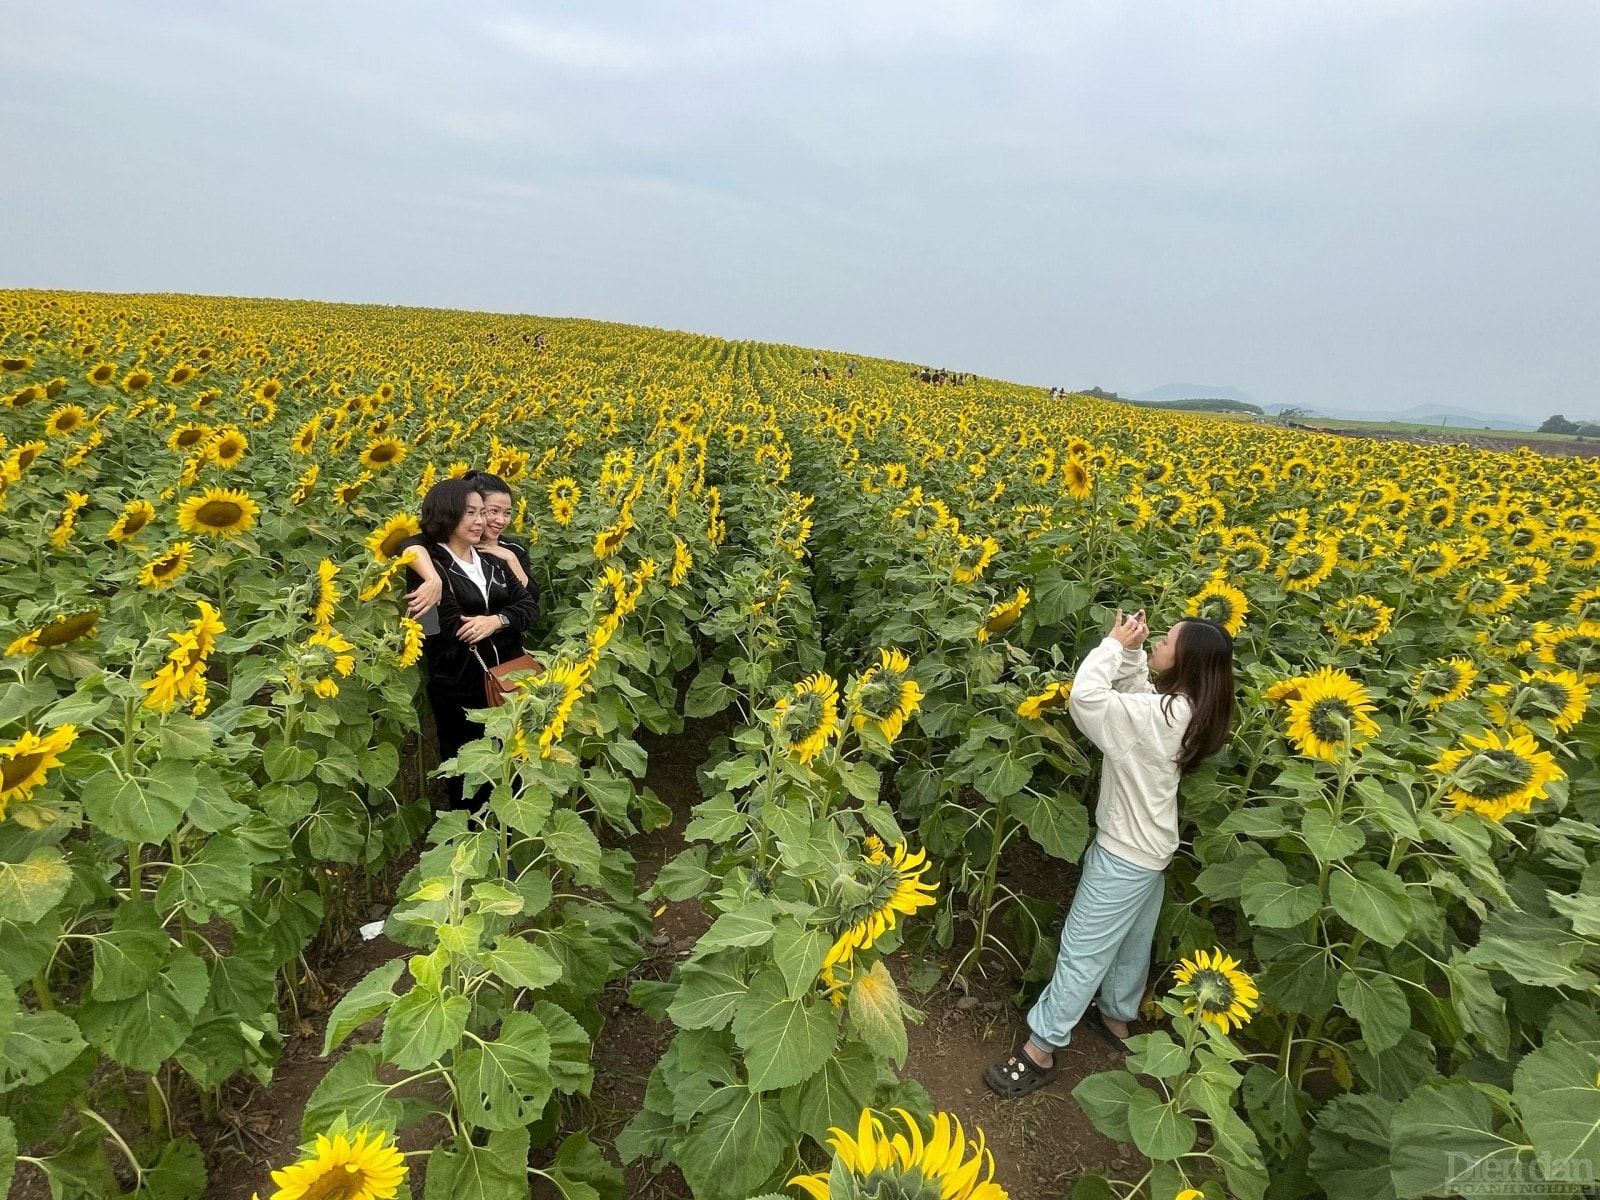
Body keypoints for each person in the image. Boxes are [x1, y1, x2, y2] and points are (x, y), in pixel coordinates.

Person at [985, 610, 1235, 1097]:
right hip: (1154, 851)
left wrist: (1111, 645)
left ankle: (1040, 1049)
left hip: (1123, 856)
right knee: (1130, 945)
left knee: (1083, 951)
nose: (1159, 642)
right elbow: (1142, 699)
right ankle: (1117, 1018)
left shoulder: (1154, 717)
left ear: (1185, 661)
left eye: (1166, 641)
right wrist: (1137, 654)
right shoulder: (1186, 708)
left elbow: (1088, 698)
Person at [410, 477, 539, 809]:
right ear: (448, 514)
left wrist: (496, 620)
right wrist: (505, 616)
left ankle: (504, 839)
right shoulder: (430, 569)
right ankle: (470, 839)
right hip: (460, 687)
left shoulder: (493, 561)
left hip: (508, 678)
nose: (481, 521)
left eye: (483, 512)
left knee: (510, 763)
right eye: (471, 513)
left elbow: (529, 607)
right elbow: (452, 628)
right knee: (468, 771)